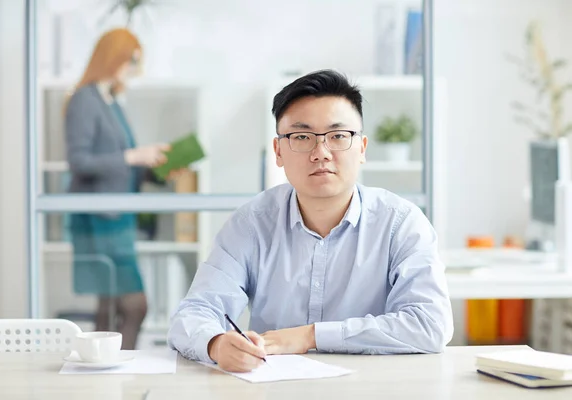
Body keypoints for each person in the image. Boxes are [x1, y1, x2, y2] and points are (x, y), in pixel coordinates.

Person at [168, 69, 453, 371]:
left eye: (338, 136)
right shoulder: (251, 224)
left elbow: (430, 324)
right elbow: (194, 312)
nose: (321, 152)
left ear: (362, 149)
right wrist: (216, 343)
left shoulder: (401, 223)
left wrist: (309, 336)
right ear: (278, 151)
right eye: (302, 137)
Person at [65, 28, 182, 349]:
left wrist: (156, 166)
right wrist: (134, 155)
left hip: (117, 215)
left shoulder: (111, 101)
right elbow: (80, 162)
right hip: (99, 219)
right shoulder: (85, 100)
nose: (133, 69)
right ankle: (121, 369)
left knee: (109, 307)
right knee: (134, 305)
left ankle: (105, 381)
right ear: (112, 57)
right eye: (131, 61)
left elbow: (121, 163)